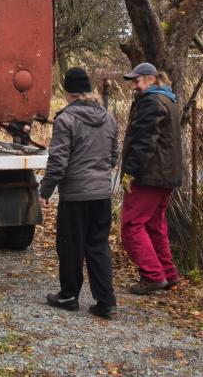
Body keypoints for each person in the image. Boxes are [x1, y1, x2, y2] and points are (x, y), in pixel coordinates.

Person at [39, 66, 119, 319]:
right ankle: (106, 301)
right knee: (98, 246)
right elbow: (113, 156)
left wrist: (45, 190)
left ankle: (69, 295)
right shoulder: (108, 118)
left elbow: (59, 160)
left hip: (75, 195)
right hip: (101, 194)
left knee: (70, 246)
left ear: (68, 92)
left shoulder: (66, 119)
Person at [119, 62, 183, 294]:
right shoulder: (168, 100)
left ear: (150, 79)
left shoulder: (152, 102)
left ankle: (153, 276)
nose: (134, 86)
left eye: (137, 81)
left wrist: (130, 173)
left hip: (149, 176)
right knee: (155, 226)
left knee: (131, 227)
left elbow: (144, 143)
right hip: (165, 176)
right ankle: (167, 273)